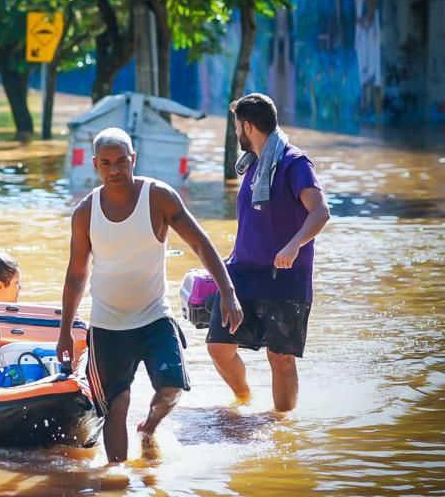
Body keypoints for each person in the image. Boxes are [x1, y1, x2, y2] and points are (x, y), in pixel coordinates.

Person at [58, 127, 244, 463]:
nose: (115, 170)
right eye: (106, 163)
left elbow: (200, 243)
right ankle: (116, 479)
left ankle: (150, 428)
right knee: (117, 404)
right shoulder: (85, 213)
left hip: (155, 318)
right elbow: (75, 276)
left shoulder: (158, 197)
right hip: (107, 326)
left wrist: (228, 292)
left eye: (121, 162)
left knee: (172, 387)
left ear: (133, 159)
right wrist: (65, 332)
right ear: (95, 166)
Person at [207, 93, 331, 412]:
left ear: (247, 126)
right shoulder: (252, 165)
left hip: (285, 277)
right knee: (219, 346)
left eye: (237, 127)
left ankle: (281, 427)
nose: (236, 134)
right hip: (243, 274)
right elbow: (255, 223)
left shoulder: (294, 162)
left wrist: (294, 244)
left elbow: (320, 212)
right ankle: (244, 398)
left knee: (281, 358)